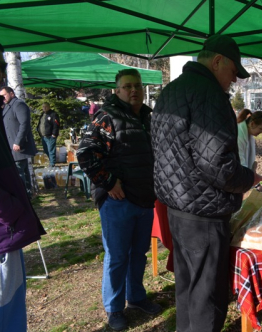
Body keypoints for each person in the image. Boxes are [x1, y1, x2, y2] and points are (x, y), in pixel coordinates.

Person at [151, 34, 262, 332]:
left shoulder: (171, 90)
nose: (234, 82)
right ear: (217, 62)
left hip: (177, 206)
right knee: (207, 297)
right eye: (232, 73)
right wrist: (249, 177)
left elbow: (165, 150)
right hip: (203, 213)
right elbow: (219, 166)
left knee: (188, 288)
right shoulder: (209, 95)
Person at [77, 69, 161, 331]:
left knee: (138, 254)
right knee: (116, 257)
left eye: (137, 86)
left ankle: (135, 297)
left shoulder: (147, 117)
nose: (133, 90)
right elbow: (85, 152)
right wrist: (108, 181)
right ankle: (114, 309)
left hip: (144, 198)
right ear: (117, 90)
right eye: (127, 87)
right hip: (118, 201)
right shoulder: (107, 117)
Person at [0, 44, 46, 332]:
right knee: (9, 309)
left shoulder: (17, 105)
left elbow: (24, 125)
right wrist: (14, 210)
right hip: (4, 228)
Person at [0, 86, 37, 199]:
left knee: (20, 171)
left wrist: (18, 142)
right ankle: (27, 195)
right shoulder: (8, 106)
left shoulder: (18, 104)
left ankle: (25, 196)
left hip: (19, 145)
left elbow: (24, 124)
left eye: (4, 95)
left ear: (11, 93)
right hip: (12, 145)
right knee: (23, 171)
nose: (2, 98)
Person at [36, 102, 60, 167]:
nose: (44, 108)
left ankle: (52, 164)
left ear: (49, 107)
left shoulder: (53, 114)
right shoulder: (42, 114)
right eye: (43, 107)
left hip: (50, 136)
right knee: (46, 150)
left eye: (46, 106)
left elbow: (56, 125)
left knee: (51, 150)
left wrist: (54, 134)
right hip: (43, 136)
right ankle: (51, 161)